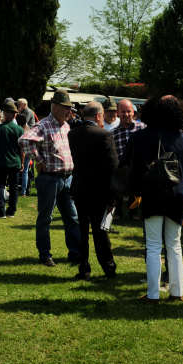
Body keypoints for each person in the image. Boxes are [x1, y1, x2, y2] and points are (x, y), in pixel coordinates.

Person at [126, 97, 183, 301]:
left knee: (152, 246)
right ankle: (177, 292)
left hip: (151, 195)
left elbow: (131, 168)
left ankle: (152, 294)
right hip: (176, 195)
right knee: (174, 245)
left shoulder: (139, 137)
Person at [65, 100, 122, 280]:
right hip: (99, 190)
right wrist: (114, 193)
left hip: (80, 187)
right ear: (99, 115)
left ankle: (84, 267)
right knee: (100, 231)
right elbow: (113, 166)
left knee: (82, 230)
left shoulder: (72, 134)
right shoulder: (104, 135)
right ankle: (108, 266)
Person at [26, 100, 73, 264]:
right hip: (50, 179)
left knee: (72, 217)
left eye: (70, 108)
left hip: (67, 178)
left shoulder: (66, 126)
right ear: (55, 107)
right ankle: (45, 254)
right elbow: (25, 140)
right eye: (65, 108)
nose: (69, 111)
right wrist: (38, 160)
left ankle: (74, 253)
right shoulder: (43, 125)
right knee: (46, 218)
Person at [0, 106, 26, 218]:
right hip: (15, 162)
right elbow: (22, 149)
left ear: (4, 114)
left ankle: (0, 212)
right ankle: (11, 211)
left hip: (1, 162)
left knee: (0, 186)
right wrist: (22, 162)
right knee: (13, 187)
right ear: (15, 115)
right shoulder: (20, 130)